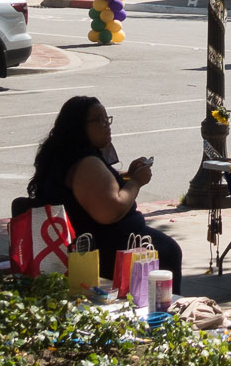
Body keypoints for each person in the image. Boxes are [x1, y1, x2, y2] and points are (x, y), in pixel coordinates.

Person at [27, 96, 182, 283]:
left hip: (100, 241)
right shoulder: (85, 162)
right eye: (98, 120)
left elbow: (99, 186)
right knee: (168, 250)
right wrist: (136, 182)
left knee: (168, 248)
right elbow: (111, 211)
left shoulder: (68, 156)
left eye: (106, 119)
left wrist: (127, 176)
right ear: (79, 127)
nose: (106, 125)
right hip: (107, 246)